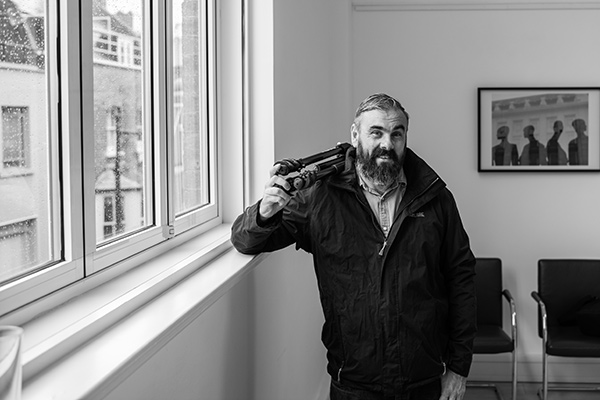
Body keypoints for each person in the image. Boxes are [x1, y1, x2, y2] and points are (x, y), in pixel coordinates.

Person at [231, 93, 477, 400]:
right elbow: (245, 240)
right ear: (355, 134)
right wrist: (265, 212)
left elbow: (462, 280)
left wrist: (459, 367)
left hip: (424, 376)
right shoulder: (320, 198)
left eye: (396, 134)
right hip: (353, 380)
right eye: (376, 132)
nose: (387, 144)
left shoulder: (435, 198)